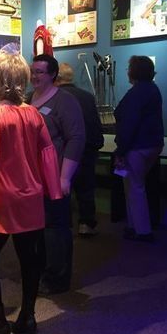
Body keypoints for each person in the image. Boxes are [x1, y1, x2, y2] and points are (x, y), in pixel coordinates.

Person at [0, 52, 61, 334]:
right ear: (22, 80)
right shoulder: (34, 113)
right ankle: (27, 319)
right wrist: (53, 188)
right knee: (30, 261)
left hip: (2, 201)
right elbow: (48, 152)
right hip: (30, 197)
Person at [27, 54, 85, 295]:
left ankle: (58, 279)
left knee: (56, 228)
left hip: (55, 176)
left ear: (53, 74)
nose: (35, 76)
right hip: (35, 178)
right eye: (33, 71)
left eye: (40, 71)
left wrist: (64, 177)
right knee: (40, 227)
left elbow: (77, 139)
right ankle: (43, 271)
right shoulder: (31, 99)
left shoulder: (66, 101)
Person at [114, 56, 164, 242]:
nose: (127, 70)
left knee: (135, 188)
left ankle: (142, 230)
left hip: (137, 146)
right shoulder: (152, 89)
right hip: (152, 144)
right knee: (134, 185)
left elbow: (129, 123)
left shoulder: (136, 93)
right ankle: (134, 225)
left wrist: (120, 150)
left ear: (134, 71)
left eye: (129, 67)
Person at [56, 62, 104, 235]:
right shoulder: (87, 96)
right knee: (86, 188)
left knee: (62, 189)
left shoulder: (54, 97)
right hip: (86, 151)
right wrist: (96, 145)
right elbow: (94, 125)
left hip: (62, 152)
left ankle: (64, 225)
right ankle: (86, 224)